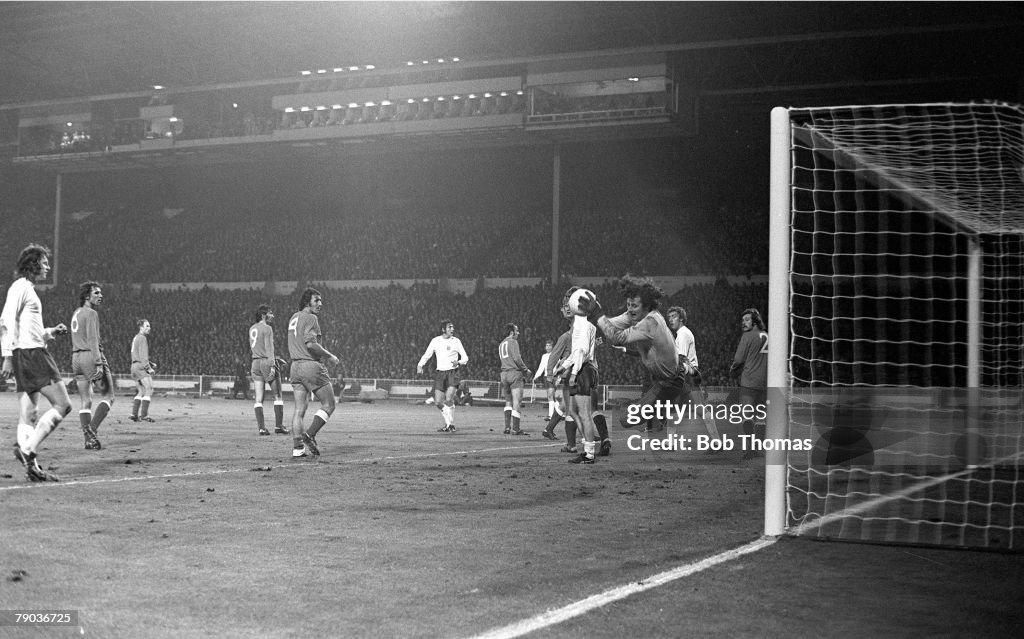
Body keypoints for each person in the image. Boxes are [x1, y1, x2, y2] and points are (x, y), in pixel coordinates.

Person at [575, 275, 689, 437]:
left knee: (625, 419)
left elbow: (617, 337)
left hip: (670, 382)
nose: (629, 309)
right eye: (628, 305)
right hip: (661, 379)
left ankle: (661, 413)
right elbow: (610, 324)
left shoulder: (651, 322)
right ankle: (661, 418)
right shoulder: (635, 315)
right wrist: (589, 317)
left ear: (646, 305)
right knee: (646, 418)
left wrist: (597, 313)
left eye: (634, 305)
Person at [1, 244, 71, 482]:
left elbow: (29, 330)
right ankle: (28, 451)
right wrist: (7, 355)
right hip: (31, 355)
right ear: (32, 264)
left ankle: (32, 468)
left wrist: (51, 331)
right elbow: (6, 320)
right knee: (63, 405)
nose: (47, 267)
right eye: (43, 262)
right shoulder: (20, 287)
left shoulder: (27, 289)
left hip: (25, 353)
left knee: (28, 415)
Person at [287, 287, 341, 459]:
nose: (320, 303)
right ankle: (310, 434)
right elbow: (310, 344)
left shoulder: (293, 317)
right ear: (307, 301)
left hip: (294, 367)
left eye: (321, 300)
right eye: (316, 300)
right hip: (310, 365)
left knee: (299, 411)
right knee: (329, 404)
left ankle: (297, 449)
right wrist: (330, 355)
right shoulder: (311, 318)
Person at [70, 281, 115, 450]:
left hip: (76, 358)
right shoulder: (91, 313)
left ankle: (88, 439)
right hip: (90, 356)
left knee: (86, 401)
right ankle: (91, 431)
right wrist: (98, 363)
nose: (100, 295)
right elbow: (92, 340)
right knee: (109, 397)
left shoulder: (76, 313)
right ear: (86, 296)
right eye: (96, 293)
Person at [666, 305, 721, 441]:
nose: (670, 320)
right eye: (669, 317)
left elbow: (682, 358)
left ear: (682, 318)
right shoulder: (681, 333)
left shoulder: (683, 334)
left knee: (694, 409)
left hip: (686, 377)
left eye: (674, 316)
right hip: (688, 376)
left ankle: (717, 441)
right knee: (680, 410)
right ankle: (671, 442)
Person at [416, 320, 469, 433]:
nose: (452, 329)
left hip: (453, 372)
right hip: (440, 373)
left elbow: (465, 358)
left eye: (453, 327)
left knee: (449, 398)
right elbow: (427, 354)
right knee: (438, 402)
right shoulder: (435, 341)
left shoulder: (456, 341)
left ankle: (450, 425)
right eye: (450, 327)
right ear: (443, 329)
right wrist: (420, 365)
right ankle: (449, 424)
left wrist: (458, 362)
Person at [730, 307, 768, 460]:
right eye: (742, 320)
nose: (743, 323)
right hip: (765, 383)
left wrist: (733, 369)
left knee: (747, 417)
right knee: (761, 418)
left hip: (749, 383)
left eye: (747, 320)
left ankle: (751, 450)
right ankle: (760, 450)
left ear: (755, 320)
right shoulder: (767, 336)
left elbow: (738, 359)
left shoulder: (747, 336)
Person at [248, 304, 286, 436]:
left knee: (259, 398)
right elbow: (269, 348)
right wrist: (272, 364)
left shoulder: (252, 328)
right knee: (278, 395)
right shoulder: (267, 328)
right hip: (266, 362)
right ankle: (279, 426)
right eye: (270, 313)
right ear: (264, 315)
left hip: (255, 363)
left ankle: (262, 428)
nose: (273, 315)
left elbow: (258, 348)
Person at [498, 323, 531, 435]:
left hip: (504, 374)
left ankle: (507, 427)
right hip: (514, 373)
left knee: (508, 401)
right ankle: (516, 429)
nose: (518, 333)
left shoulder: (501, 344)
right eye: (517, 330)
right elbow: (517, 358)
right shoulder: (513, 341)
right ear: (512, 332)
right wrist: (525, 370)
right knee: (517, 401)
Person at [129, 319, 156, 422]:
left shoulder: (136, 337)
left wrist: (151, 363)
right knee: (149, 389)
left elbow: (138, 354)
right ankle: (144, 415)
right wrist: (148, 368)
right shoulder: (142, 338)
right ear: (141, 327)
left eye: (149, 326)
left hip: (134, 366)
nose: (149, 328)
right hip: (140, 367)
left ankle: (134, 414)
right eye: (147, 326)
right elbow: (143, 355)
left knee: (141, 390)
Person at [532, 339, 556, 419]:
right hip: (546, 377)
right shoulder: (544, 356)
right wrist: (536, 376)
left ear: (553, 347)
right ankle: (560, 414)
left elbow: (558, 366)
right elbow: (541, 367)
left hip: (552, 377)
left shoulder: (556, 355)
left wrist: (558, 377)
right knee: (552, 396)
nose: (548, 347)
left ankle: (551, 415)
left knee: (550, 396)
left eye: (550, 345)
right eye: (547, 345)